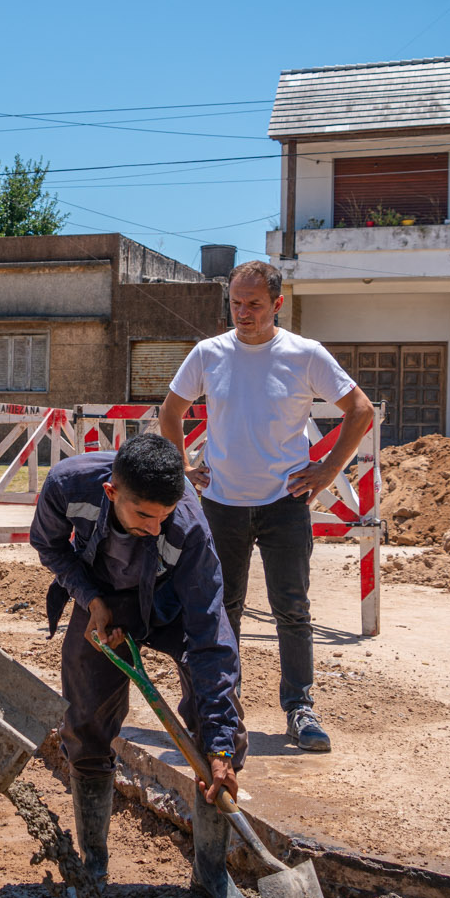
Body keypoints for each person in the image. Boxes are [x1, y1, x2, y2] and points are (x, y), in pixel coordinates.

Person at [30, 432, 253, 898]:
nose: (155, 527)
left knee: (223, 727)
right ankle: (94, 867)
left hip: (172, 606)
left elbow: (210, 636)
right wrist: (91, 599)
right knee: (85, 722)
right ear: (110, 492)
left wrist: (218, 747)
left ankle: (212, 875)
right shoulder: (68, 485)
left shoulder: (188, 528)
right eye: (144, 515)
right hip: (102, 597)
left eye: (164, 515)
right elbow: (47, 544)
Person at [159, 259, 373, 755]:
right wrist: (184, 467)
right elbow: (171, 411)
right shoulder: (208, 353)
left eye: (254, 304)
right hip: (222, 504)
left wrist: (328, 471)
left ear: (277, 303)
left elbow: (359, 410)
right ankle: (222, 708)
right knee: (222, 609)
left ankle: (299, 709)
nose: (243, 313)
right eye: (236, 303)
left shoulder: (304, 354)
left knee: (292, 609)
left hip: (285, 503)